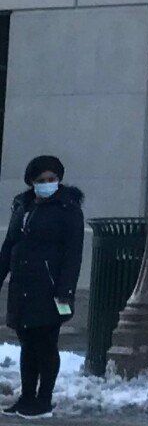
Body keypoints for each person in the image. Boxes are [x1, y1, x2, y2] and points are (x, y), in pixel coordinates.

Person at [0, 157, 83, 418]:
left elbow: (73, 255)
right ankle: (26, 396)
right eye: (41, 180)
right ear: (32, 182)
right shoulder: (22, 207)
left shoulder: (67, 209)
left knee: (45, 343)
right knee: (27, 343)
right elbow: (10, 245)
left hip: (49, 289)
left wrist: (65, 292)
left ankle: (43, 399)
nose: (47, 184)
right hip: (23, 286)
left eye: (51, 179)